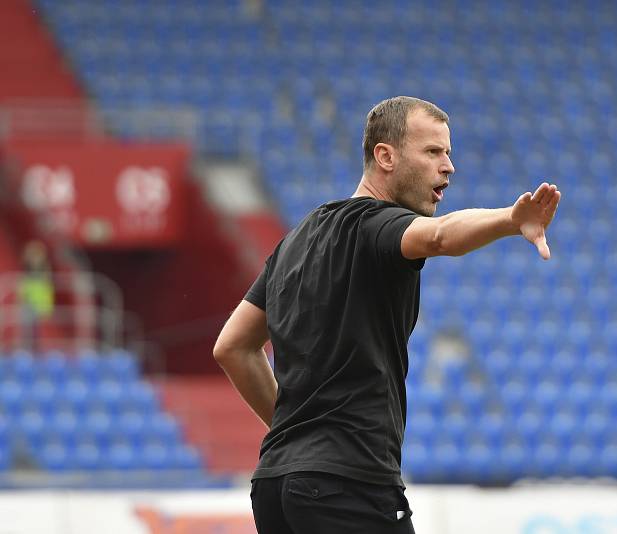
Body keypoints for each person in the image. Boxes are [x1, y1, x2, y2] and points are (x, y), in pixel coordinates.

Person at [213, 96, 561, 534]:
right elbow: (438, 237)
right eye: (433, 151)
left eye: (448, 152)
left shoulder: (295, 242)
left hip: (276, 487)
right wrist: (510, 220)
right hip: (349, 486)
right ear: (385, 156)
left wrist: (295, 436)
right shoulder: (379, 225)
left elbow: (232, 347)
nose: (449, 166)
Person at [17, 239, 54, 352]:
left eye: (37, 256)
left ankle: (36, 350)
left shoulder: (45, 270)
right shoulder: (25, 268)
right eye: (32, 256)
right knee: (26, 328)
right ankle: (26, 349)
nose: (35, 259)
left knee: (37, 330)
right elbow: (22, 285)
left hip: (39, 303)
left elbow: (48, 288)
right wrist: (21, 299)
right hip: (27, 302)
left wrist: (47, 305)